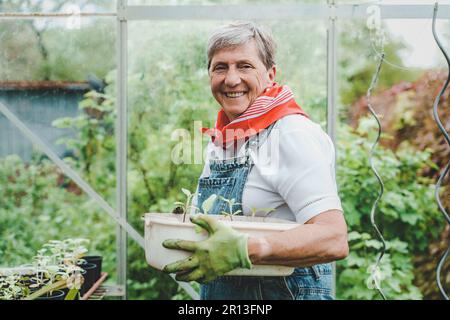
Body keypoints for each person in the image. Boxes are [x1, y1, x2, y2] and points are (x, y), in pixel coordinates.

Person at [162, 21, 349, 300]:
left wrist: (247, 249)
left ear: (270, 74)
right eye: (220, 67)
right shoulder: (225, 140)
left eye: (245, 66)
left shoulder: (290, 133)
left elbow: (333, 237)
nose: (231, 79)